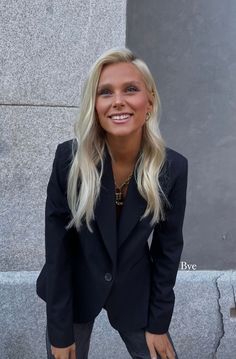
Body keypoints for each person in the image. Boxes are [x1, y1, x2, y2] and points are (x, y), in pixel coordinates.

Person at [36, 47, 188, 359]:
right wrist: (60, 331)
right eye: (105, 92)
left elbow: (167, 250)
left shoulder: (173, 168)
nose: (118, 100)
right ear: (94, 105)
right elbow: (58, 250)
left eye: (130, 89)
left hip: (135, 293)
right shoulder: (68, 160)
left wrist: (158, 323)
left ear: (150, 101)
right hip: (73, 291)